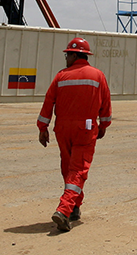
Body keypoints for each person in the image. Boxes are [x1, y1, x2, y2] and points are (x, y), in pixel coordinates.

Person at [37, 37, 112, 232]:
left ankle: (75, 207)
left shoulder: (61, 76)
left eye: (67, 55)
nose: (66, 59)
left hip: (62, 129)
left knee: (69, 168)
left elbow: (48, 102)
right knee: (78, 171)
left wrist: (42, 127)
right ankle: (63, 210)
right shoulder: (97, 76)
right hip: (85, 130)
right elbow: (106, 104)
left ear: (75, 54)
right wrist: (104, 125)